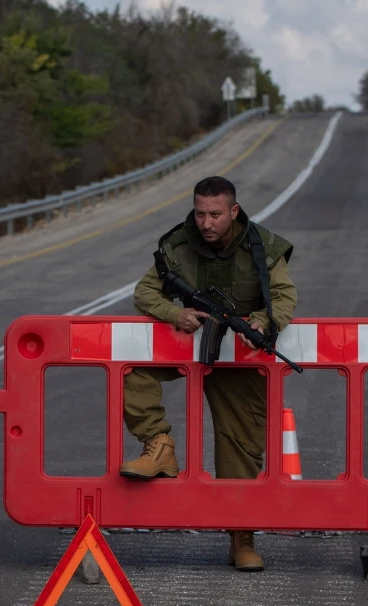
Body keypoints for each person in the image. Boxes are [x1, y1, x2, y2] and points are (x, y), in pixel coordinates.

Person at [120, 175, 297, 571]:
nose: (205, 223)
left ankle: (241, 536)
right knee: (132, 371)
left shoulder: (263, 246)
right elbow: (145, 293)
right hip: (186, 344)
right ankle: (159, 446)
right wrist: (175, 313)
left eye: (215, 214)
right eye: (200, 214)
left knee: (241, 445)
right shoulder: (178, 245)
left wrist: (264, 322)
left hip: (241, 355)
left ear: (233, 211)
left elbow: (284, 296)